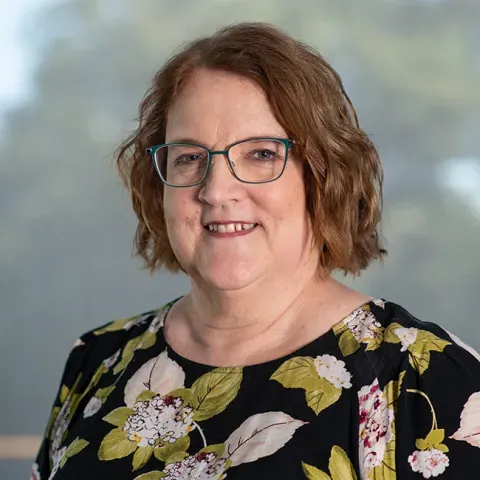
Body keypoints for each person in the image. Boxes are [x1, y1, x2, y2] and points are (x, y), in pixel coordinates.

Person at [32, 22, 480, 480]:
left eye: (261, 154)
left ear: (324, 174)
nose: (217, 189)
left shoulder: (426, 379)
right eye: (189, 157)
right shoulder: (96, 361)